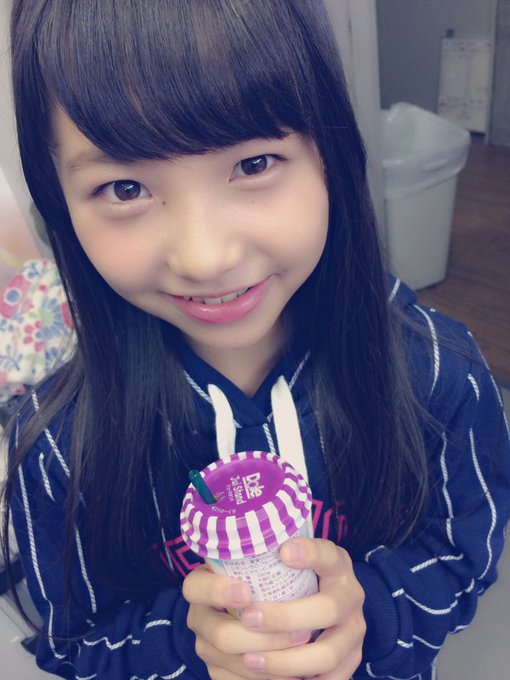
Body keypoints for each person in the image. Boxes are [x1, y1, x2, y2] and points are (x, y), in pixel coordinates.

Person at [1, 1, 509, 679]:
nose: (205, 257)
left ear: (331, 154)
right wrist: (196, 643)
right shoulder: (60, 452)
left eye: (254, 162)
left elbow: (460, 555)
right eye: (125, 187)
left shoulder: (442, 377)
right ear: (59, 206)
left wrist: (366, 616)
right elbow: (73, 644)